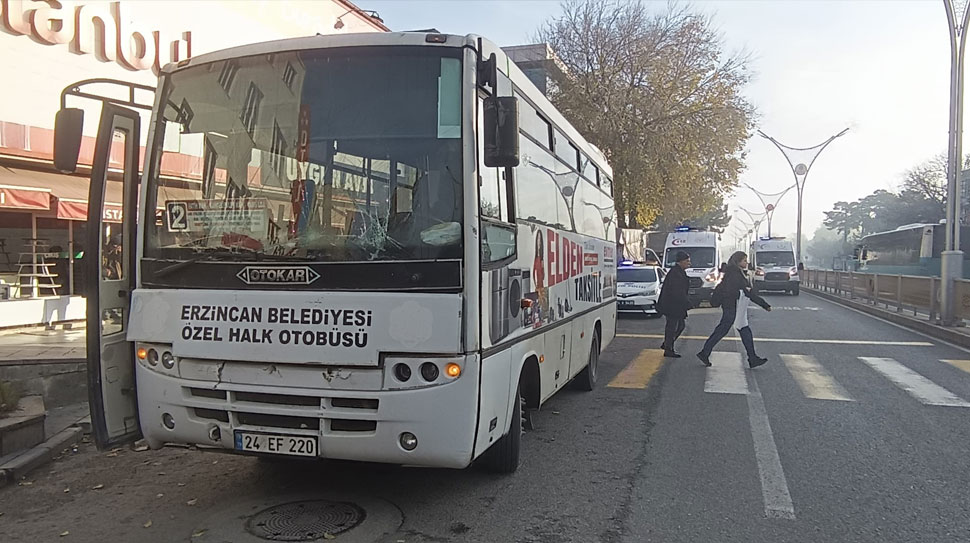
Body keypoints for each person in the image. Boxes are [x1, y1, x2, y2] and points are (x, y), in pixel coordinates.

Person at [696, 251, 771, 368]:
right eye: (744, 260)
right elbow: (740, 292)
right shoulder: (735, 274)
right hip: (733, 306)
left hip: (733, 306)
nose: (747, 262)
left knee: (738, 329)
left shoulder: (733, 272)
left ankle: (752, 357)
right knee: (726, 330)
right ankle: (704, 352)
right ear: (738, 261)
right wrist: (763, 304)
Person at [656, 251, 692, 358]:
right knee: (673, 327)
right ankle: (668, 349)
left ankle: (667, 344)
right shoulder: (676, 273)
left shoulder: (679, 272)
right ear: (680, 262)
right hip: (672, 306)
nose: (689, 263)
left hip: (675, 305)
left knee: (679, 326)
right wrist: (687, 303)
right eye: (687, 261)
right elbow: (678, 292)